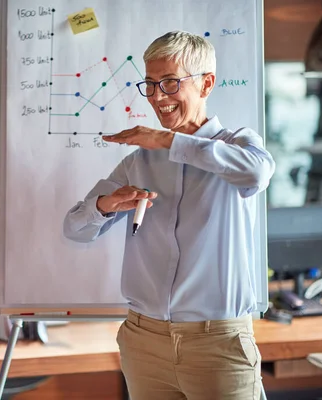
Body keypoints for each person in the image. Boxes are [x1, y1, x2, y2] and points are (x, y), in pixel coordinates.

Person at [63, 31, 276, 400]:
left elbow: (257, 173)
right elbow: (75, 229)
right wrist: (105, 206)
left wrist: (167, 141)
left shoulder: (237, 145)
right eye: (150, 84)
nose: (158, 97)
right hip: (144, 342)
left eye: (170, 82)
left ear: (206, 83)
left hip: (218, 344)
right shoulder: (139, 162)